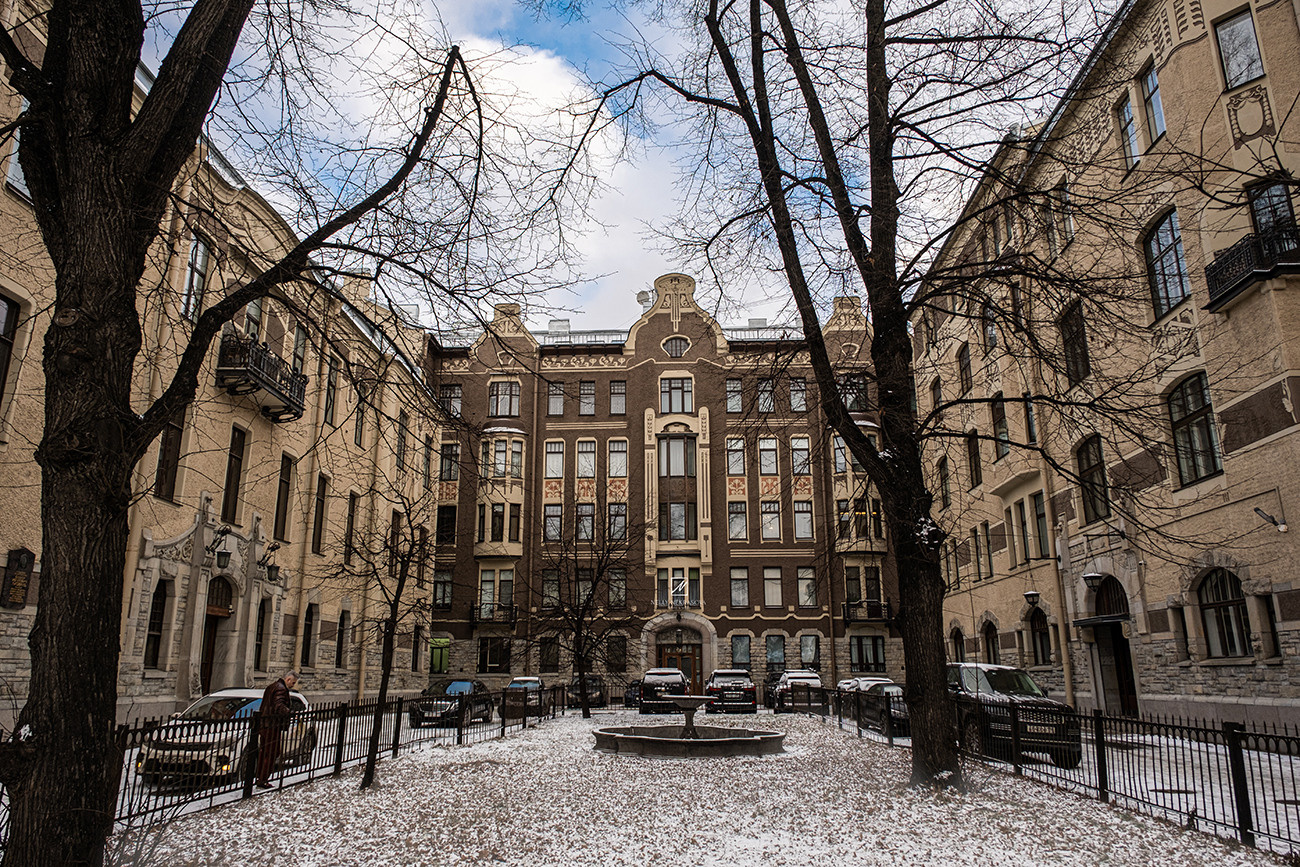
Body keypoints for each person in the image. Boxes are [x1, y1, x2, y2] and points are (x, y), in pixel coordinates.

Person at [255, 670, 298, 788]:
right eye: (293, 683)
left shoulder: (272, 686)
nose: (293, 685)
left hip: (266, 723)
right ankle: (262, 779)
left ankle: (260, 776)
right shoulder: (281, 689)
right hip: (272, 725)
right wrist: (289, 712)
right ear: (288, 679)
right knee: (272, 752)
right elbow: (278, 705)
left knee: (266, 751)